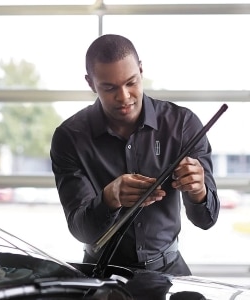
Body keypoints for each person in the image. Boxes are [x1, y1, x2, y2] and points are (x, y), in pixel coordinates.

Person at [49, 34, 220, 276]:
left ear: (141, 70)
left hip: (170, 271)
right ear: (90, 83)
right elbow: (81, 230)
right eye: (109, 88)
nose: (124, 96)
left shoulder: (182, 124)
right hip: (100, 273)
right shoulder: (70, 137)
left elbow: (207, 220)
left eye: (131, 82)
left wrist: (198, 191)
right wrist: (110, 198)